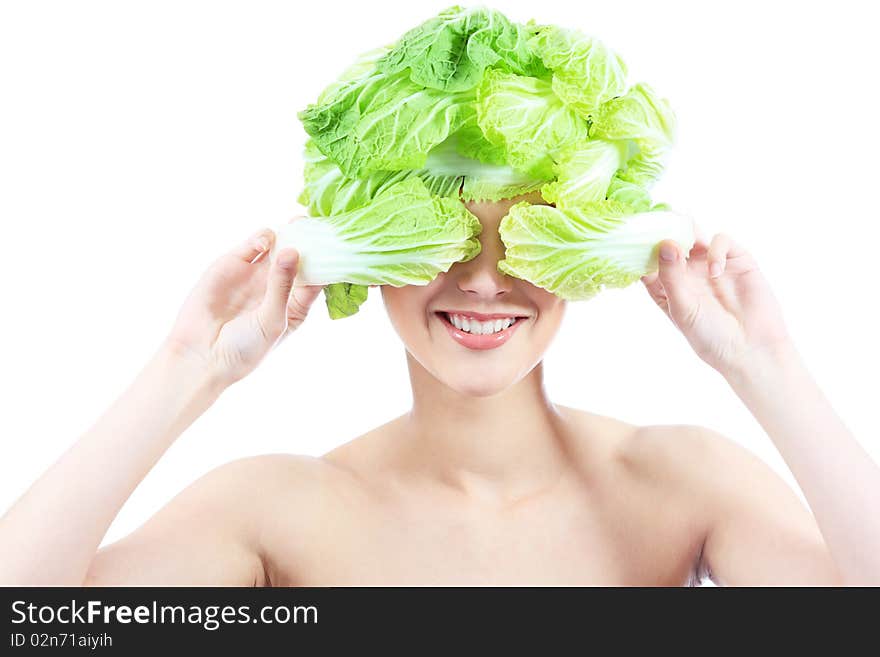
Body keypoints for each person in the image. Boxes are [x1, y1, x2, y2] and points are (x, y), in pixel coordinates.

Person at [1, 190, 877, 586]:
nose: (485, 281)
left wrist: (763, 365)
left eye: (529, 236)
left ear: (586, 254)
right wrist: (187, 369)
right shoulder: (278, 509)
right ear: (369, 249)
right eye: (440, 236)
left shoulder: (681, 480)